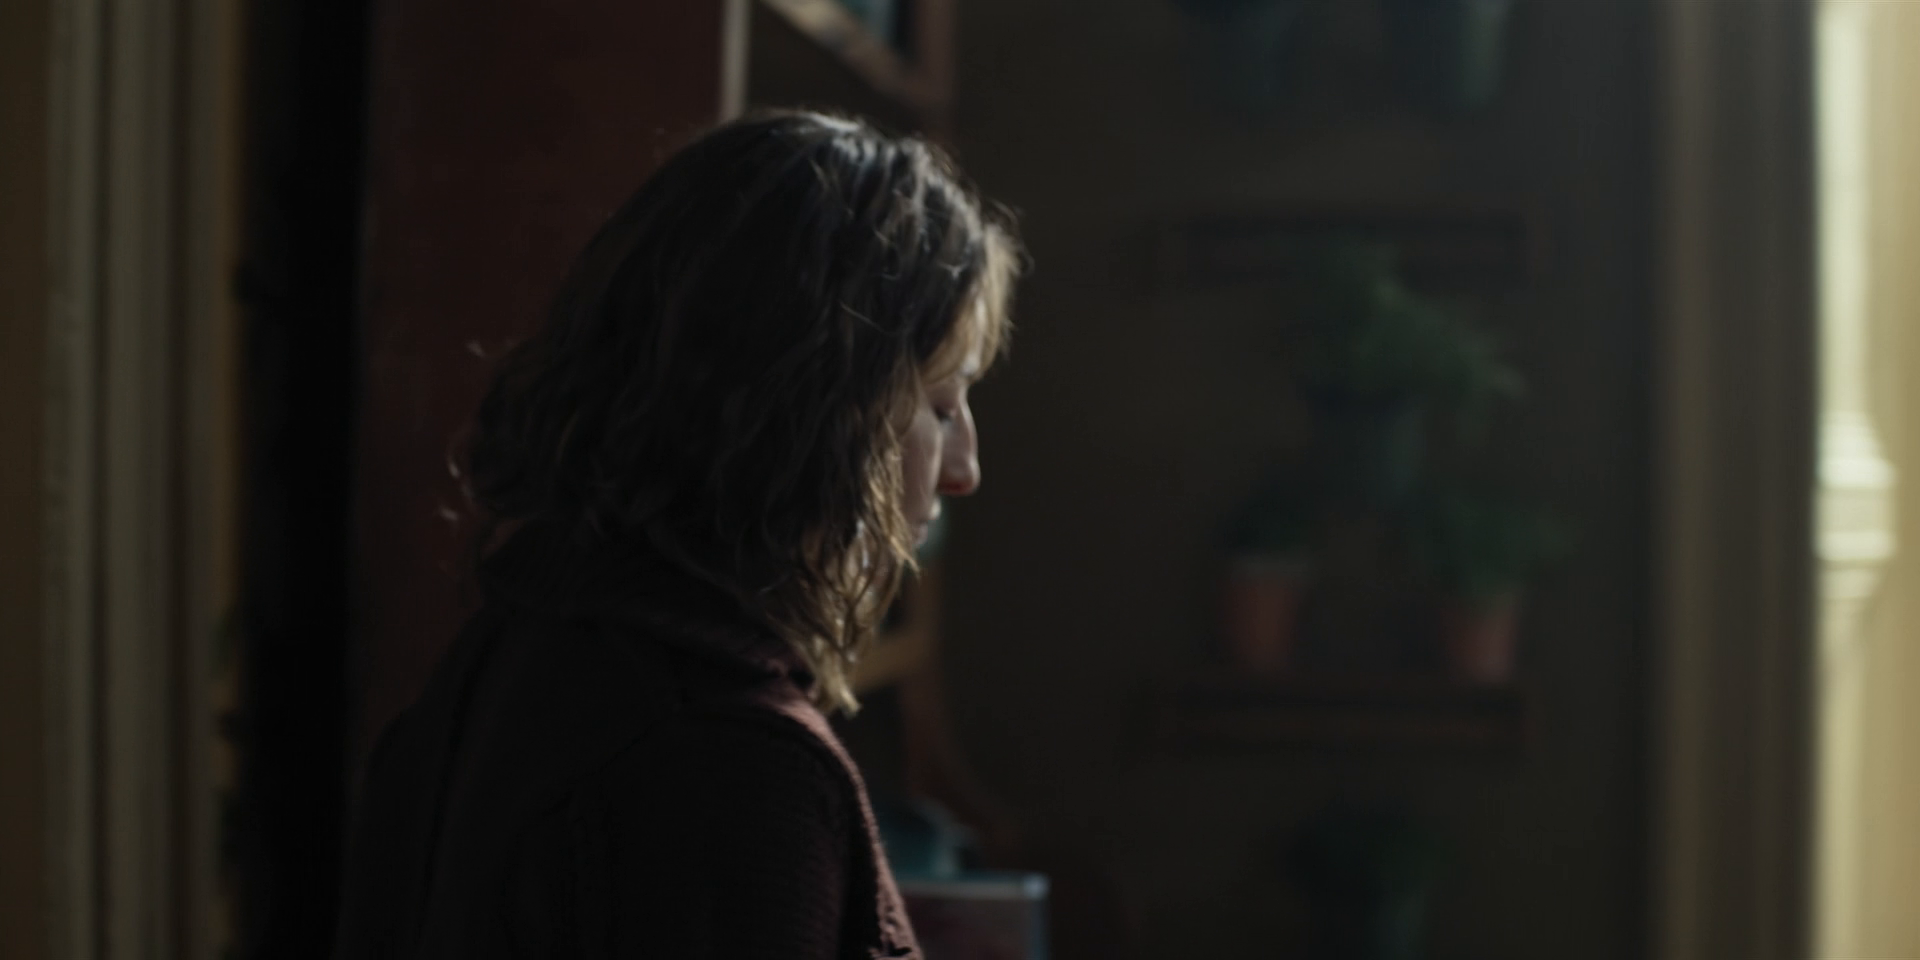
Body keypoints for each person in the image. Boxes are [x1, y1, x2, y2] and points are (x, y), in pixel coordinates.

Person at [334, 110, 1020, 959]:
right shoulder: (730, 762)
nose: (965, 470)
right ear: (816, 413)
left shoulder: (517, 644)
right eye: (942, 405)